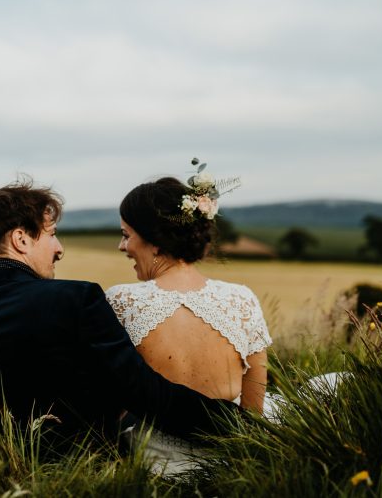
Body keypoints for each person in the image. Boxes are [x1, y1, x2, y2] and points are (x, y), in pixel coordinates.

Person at [0, 179, 239, 451]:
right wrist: (242, 426)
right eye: (52, 233)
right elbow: (146, 394)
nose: (59, 248)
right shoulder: (76, 299)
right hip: (83, 472)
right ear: (21, 239)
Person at [105, 168, 271, 475]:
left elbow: (108, 404)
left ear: (155, 241)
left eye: (127, 235)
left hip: (155, 463)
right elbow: (254, 411)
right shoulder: (242, 300)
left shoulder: (121, 301)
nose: (121, 246)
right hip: (232, 458)